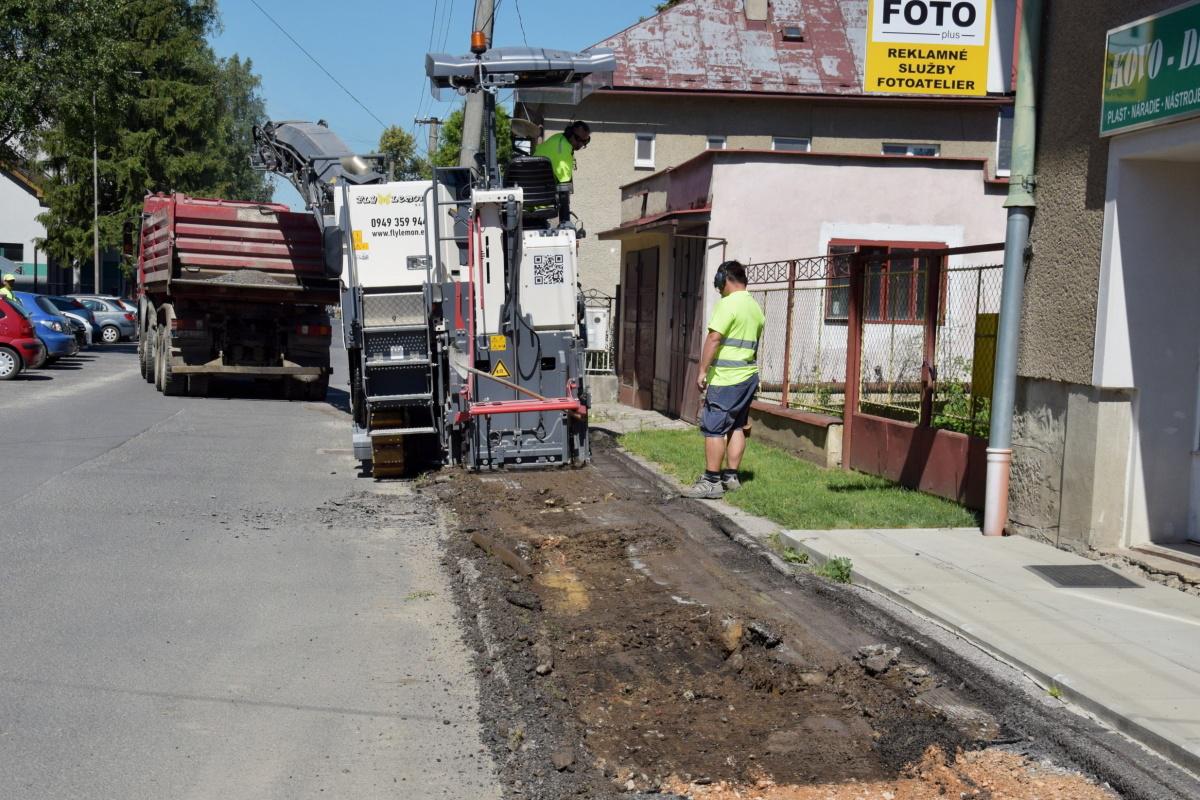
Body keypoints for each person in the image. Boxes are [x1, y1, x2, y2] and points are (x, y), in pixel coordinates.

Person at [683, 260, 765, 499]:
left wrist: (702, 371)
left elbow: (714, 339)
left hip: (727, 378)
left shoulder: (728, 304)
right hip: (748, 376)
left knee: (714, 428)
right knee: (737, 425)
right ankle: (730, 476)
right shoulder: (754, 307)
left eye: (719, 283)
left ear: (725, 279)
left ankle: (711, 480)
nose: (718, 288)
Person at [533, 121, 590, 222]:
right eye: (578, 139)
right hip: (539, 203)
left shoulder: (558, 137)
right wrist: (566, 222)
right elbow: (564, 187)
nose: (581, 144)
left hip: (532, 197)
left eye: (586, 141)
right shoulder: (563, 153)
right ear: (570, 134)